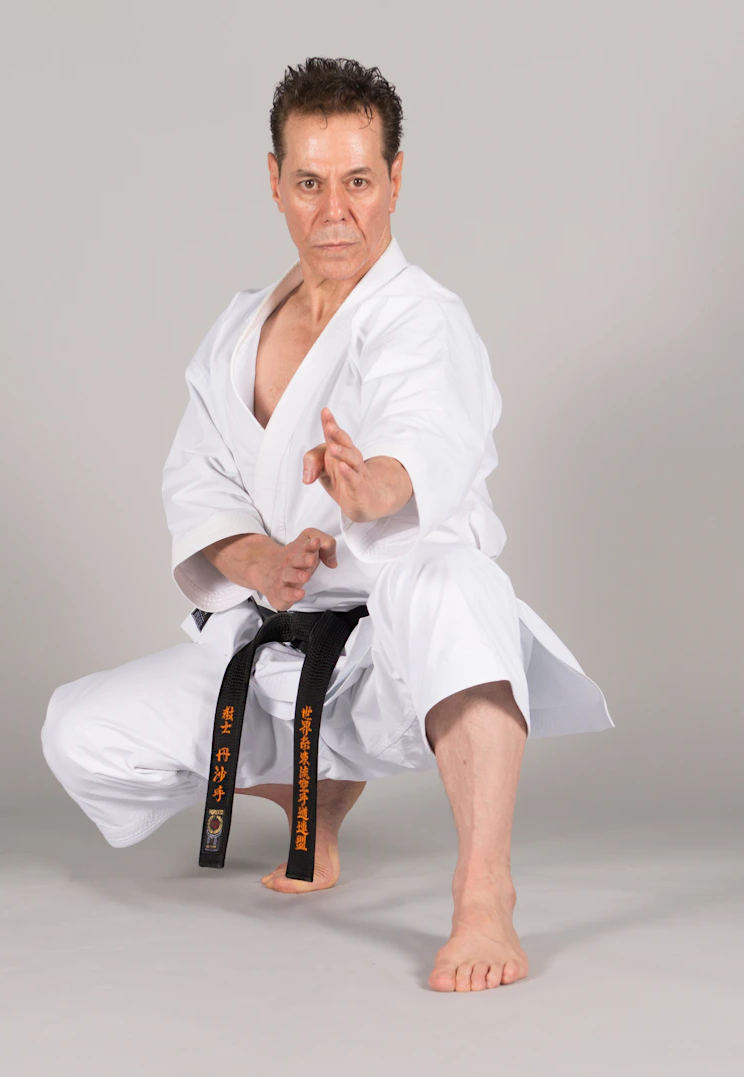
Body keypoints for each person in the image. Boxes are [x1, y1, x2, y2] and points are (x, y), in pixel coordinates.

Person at [41, 57, 614, 993]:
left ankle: (483, 893)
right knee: (79, 732)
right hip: (278, 645)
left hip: (403, 655)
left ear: (395, 179)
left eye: (358, 180)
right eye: (309, 182)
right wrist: (261, 557)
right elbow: (199, 483)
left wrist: (372, 488)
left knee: (459, 583)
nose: (335, 209)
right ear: (274, 181)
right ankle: (317, 801)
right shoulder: (235, 333)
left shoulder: (423, 320)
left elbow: (428, 436)